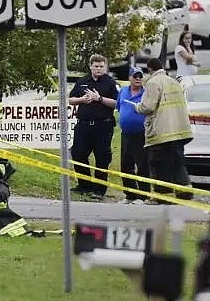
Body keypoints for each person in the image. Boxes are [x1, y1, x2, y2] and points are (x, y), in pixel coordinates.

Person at [130, 57, 194, 204]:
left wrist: (137, 107)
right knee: (177, 161)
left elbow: (148, 107)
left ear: (150, 69)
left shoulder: (153, 82)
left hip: (162, 132)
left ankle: (162, 195)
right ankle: (185, 192)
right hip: (179, 130)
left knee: (158, 162)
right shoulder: (174, 82)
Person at [67, 54, 119, 200]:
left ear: (105, 67)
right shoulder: (83, 81)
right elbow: (71, 99)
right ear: (90, 66)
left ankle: (99, 189)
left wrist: (99, 99)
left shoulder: (110, 83)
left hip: (102, 125)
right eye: (96, 66)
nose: (98, 69)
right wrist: (82, 99)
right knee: (78, 154)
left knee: (102, 158)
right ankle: (84, 185)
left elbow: (117, 103)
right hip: (83, 125)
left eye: (101, 66)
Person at [115, 66, 150, 204]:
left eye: (140, 76)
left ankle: (143, 195)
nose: (138, 79)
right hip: (126, 133)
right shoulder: (123, 91)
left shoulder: (146, 93)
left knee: (142, 165)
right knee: (125, 165)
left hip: (141, 133)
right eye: (135, 76)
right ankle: (130, 194)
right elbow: (118, 107)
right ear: (129, 78)